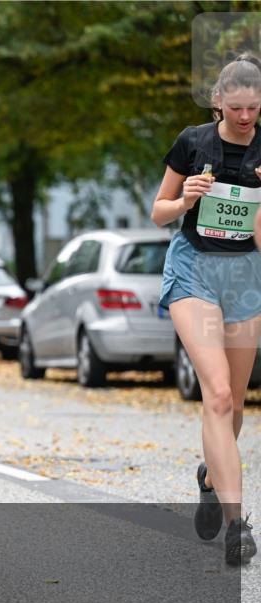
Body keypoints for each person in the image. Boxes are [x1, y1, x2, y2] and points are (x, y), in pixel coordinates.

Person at [151, 53, 261, 566]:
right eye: (235, 107)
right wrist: (186, 200)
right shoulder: (193, 142)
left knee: (235, 406)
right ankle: (239, 526)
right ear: (218, 101)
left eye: (253, 108)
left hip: (243, 277)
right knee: (215, 393)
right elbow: (158, 212)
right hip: (193, 269)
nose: (244, 117)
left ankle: (210, 477)